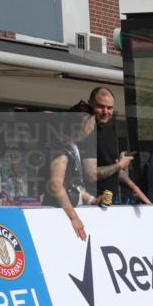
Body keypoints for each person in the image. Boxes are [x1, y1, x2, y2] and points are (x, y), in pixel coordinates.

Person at [42, 102, 99, 240]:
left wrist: (92, 200)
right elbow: (56, 185)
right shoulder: (60, 148)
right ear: (84, 123)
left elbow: (72, 186)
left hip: (64, 214)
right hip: (57, 217)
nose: (93, 127)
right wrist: (74, 217)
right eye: (92, 122)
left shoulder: (71, 146)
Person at [87, 87, 151, 204]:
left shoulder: (108, 129)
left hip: (110, 202)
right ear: (89, 104)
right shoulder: (85, 133)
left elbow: (114, 169)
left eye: (110, 108)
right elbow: (90, 174)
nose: (105, 111)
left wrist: (135, 188)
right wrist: (119, 165)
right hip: (91, 203)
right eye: (100, 106)